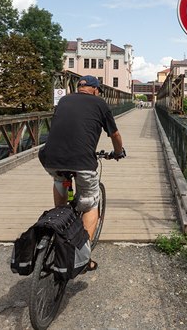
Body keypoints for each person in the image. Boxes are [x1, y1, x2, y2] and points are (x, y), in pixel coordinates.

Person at [39, 75, 125, 272]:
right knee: (89, 204)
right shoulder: (100, 103)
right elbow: (116, 135)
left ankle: (59, 218)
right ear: (95, 89)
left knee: (60, 180)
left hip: (50, 158)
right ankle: (82, 258)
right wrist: (118, 153)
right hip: (82, 162)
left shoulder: (64, 100)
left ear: (79, 88)